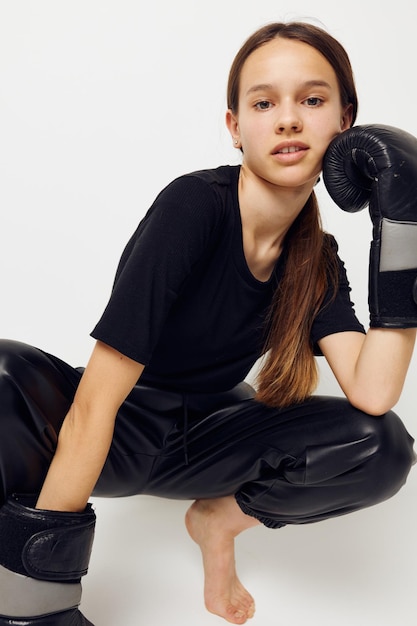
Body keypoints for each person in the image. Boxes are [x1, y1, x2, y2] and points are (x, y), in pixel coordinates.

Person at [0, 21, 416, 626]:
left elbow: (375, 392)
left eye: (313, 99)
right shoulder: (194, 206)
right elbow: (95, 404)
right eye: (264, 102)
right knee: (5, 375)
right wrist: (45, 602)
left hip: (209, 439)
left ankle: (216, 522)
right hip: (120, 426)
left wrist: (404, 228)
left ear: (345, 124)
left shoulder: (316, 257)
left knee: (381, 447)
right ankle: (22, 596)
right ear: (235, 128)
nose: (289, 119)